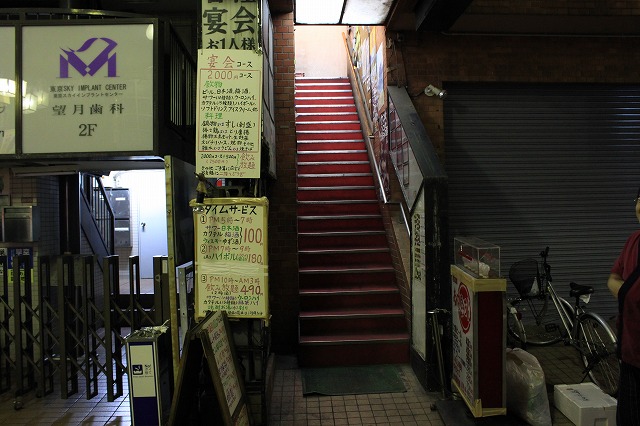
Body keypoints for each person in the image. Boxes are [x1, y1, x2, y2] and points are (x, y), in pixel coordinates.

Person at [608, 191, 640, 425]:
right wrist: (629, 292)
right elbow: (612, 278)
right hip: (629, 352)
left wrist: (627, 291)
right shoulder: (633, 240)